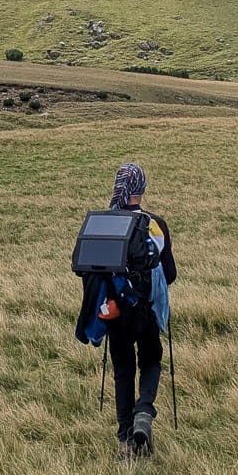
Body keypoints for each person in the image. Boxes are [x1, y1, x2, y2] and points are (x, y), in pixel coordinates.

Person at [78, 162, 177, 457]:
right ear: (141, 189)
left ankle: (126, 441)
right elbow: (170, 274)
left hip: (115, 313)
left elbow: (88, 270)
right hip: (147, 311)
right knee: (151, 361)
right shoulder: (156, 224)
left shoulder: (103, 224)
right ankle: (144, 411)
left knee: (123, 371)